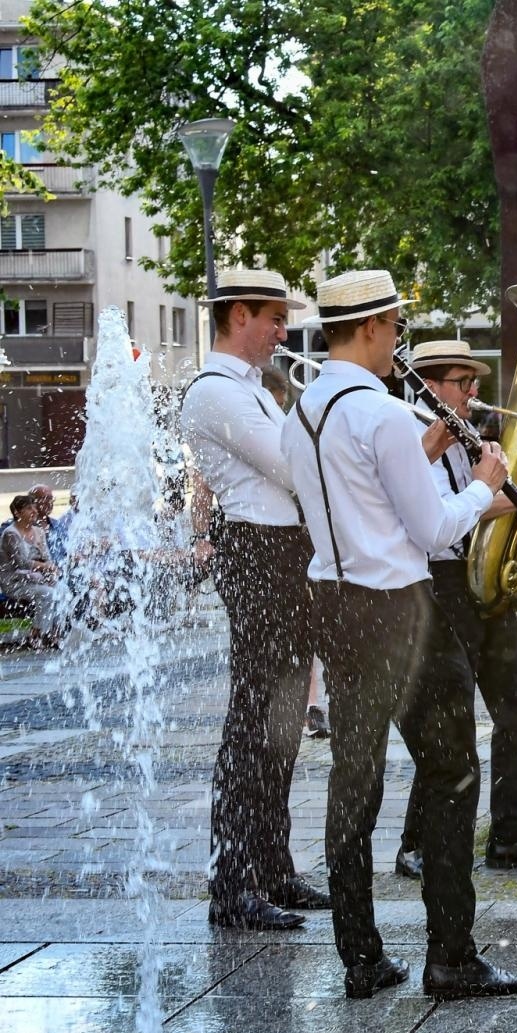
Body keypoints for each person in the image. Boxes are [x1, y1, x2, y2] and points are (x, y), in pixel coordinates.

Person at [281, 269, 517, 1000]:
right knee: (453, 773)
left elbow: (352, 500)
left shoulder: (303, 410)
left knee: (353, 778)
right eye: (395, 325)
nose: (398, 339)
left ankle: (361, 957)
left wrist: (421, 463)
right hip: (399, 607)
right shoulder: (385, 412)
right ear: (371, 327)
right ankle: (452, 956)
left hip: (334, 601)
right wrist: (485, 482)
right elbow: (432, 529)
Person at [179, 268, 327, 932]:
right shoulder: (217, 391)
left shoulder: (252, 390)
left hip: (281, 551)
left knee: (283, 720)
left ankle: (272, 867)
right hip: (258, 551)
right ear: (239, 315)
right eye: (275, 318)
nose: (283, 332)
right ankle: (233, 884)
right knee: (253, 721)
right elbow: (294, 468)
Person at [393, 341, 517, 879]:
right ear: (429, 386)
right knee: (448, 720)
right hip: (442, 582)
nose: (472, 392)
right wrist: (516, 499)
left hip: (479, 577)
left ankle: (508, 836)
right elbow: (439, 514)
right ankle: (415, 844)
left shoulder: (463, 436)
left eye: (473, 382)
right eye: (461, 382)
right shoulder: (411, 436)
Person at [0, 494, 62, 643]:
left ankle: (55, 632)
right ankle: (37, 634)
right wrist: (45, 567)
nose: (34, 511)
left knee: (62, 589)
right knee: (47, 594)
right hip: (14, 582)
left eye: (34, 507)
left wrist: (51, 571)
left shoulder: (38, 531)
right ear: (17, 513)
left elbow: (47, 557)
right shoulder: (11, 534)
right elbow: (21, 563)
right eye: (29, 508)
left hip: (36, 578)